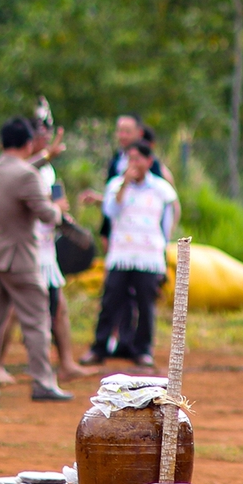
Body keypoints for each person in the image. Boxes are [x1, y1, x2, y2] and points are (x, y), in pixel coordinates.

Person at [0, 117, 69, 399]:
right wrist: (59, 209)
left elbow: (17, 172)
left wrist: (46, 156)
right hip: (19, 259)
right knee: (36, 322)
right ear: (27, 143)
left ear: (1, 143)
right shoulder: (28, 177)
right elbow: (47, 215)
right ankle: (43, 383)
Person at [81, 142, 178, 369]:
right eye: (129, 159)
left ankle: (143, 349)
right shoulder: (115, 185)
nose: (133, 164)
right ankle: (99, 347)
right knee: (110, 301)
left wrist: (163, 244)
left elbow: (169, 216)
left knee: (145, 304)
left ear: (148, 162)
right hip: (121, 253)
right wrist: (124, 184)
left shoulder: (160, 189)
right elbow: (110, 211)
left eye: (137, 159)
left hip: (148, 256)